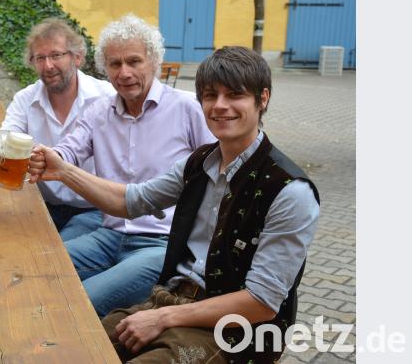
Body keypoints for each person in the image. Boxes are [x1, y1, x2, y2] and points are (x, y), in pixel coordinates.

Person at [31, 46, 320, 363]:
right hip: (169, 299)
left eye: (234, 95)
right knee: (68, 346)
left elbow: (262, 302)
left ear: (262, 99)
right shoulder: (199, 163)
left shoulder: (289, 190)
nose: (220, 106)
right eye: (210, 96)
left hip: (236, 329)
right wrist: (63, 171)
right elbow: (133, 201)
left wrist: (162, 318)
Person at [40, 13, 215, 317]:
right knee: (35, 269)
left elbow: (220, 171)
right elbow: (68, 151)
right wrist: (45, 157)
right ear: (104, 68)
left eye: (134, 62)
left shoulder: (187, 109)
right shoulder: (98, 113)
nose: (124, 73)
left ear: (154, 61)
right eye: (114, 64)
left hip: (161, 244)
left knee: (81, 301)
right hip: (108, 234)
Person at [0, 18, 115, 239]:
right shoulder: (26, 99)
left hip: (95, 210)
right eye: (40, 58)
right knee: (3, 240)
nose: (48, 65)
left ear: (77, 57)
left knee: (53, 254)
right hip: (44, 205)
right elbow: (6, 139)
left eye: (56, 55)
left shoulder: (106, 98)